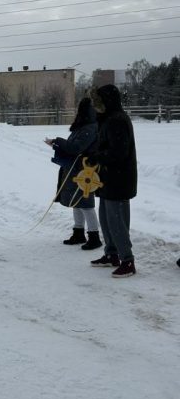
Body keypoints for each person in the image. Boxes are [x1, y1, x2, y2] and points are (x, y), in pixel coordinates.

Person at [85, 84, 137, 278]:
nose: (95, 106)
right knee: (106, 220)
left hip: (119, 179)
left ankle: (127, 260)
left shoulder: (117, 120)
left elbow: (119, 152)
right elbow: (105, 145)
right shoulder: (107, 119)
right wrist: (94, 155)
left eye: (98, 102)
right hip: (107, 178)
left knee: (117, 222)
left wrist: (98, 157)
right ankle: (111, 254)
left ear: (107, 101)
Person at [44, 97, 101, 250]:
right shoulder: (83, 127)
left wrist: (57, 141)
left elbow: (76, 148)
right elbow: (72, 147)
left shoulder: (90, 128)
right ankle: (78, 233)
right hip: (76, 169)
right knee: (77, 202)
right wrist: (56, 144)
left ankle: (94, 237)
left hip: (84, 171)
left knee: (86, 204)